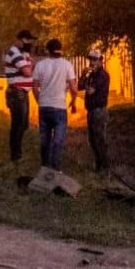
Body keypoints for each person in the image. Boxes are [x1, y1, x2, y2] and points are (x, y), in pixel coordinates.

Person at [32, 39, 77, 172]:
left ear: (47, 50)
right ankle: (55, 168)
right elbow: (74, 89)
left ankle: (45, 166)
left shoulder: (40, 65)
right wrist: (73, 102)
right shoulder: (67, 65)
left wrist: (39, 101)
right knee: (58, 139)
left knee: (45, 138)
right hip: (59, 107)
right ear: (60, 49)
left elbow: (34, 88)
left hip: (44, 106)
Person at [3, 29, 37, 162]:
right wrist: (32, 67)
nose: (30, 43)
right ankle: (15, 155)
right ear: (21, 39)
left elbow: (29, 68)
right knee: (18, 124)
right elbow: (28, 72)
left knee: (23, 124)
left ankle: (17, 152)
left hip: (23, 92)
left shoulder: (24, 53)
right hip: (17, 92)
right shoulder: (14, 52)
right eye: (28, 40)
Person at [80, 50, 110, 172]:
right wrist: (83, 75)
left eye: (95, 60)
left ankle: (105, 166)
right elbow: (79, 86)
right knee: (92, 140)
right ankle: (99, 164)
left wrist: (87, 85)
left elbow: (91, 90)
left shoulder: (102, 75)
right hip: (91, 110)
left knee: (99, 139)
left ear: (101, 61)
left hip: (99, 110)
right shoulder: (91, 74)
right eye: (91, 60)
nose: (92, 62)